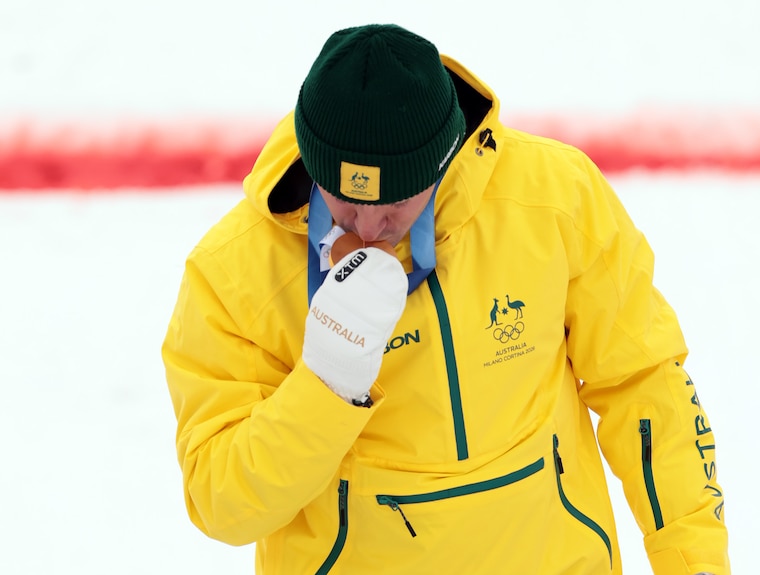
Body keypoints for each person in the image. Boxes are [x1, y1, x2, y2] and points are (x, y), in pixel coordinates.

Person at [162, 23, 730, 575]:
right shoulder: (233, 274)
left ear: (441, 162)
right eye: (344, 198)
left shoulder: (554, 198)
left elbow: (644, 383)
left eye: (395, 203)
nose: (368, 226)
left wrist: (693, 561)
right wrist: (326, 383)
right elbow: (222, 503)